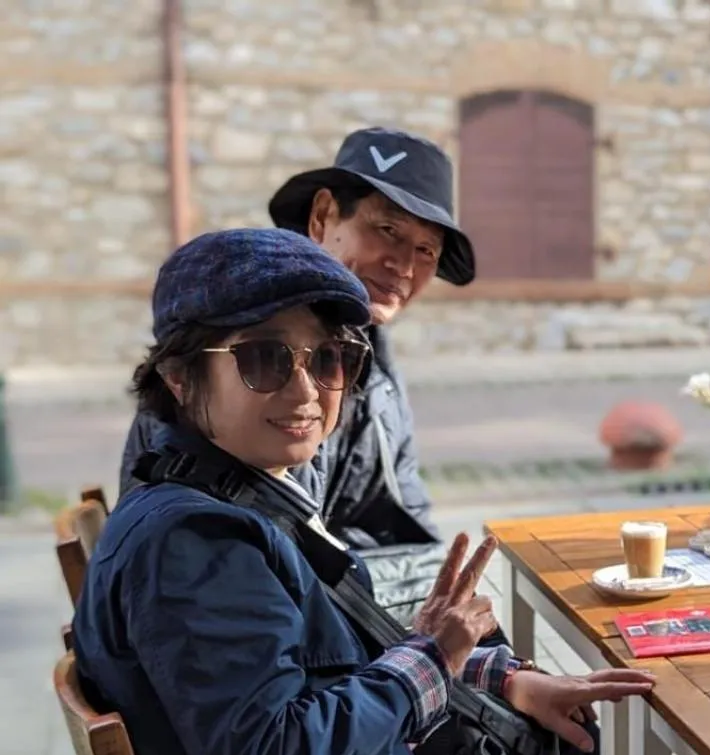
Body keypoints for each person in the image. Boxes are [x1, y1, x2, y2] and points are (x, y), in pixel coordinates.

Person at [73, 228, 668, 755]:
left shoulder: (220, 495)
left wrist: (475, 669)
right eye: (264, 360)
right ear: (180, 378)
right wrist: (432, 661)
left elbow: (288, 669)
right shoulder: (197, 545)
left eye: (329, 360)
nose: (305, 392)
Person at [121, 126, 468, 624]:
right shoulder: (237, 328)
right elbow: (271, 555)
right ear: (323, 216)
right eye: (387, 230)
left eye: (427, 251)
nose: (403, 266)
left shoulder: (371, 352)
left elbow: (405, 519)